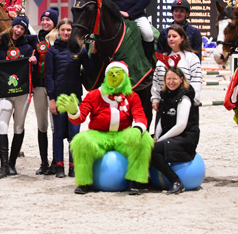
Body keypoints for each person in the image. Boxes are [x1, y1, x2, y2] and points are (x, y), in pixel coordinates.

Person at [57, 61, 152, 195]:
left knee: (144, 139)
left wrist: (137, 130)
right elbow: (79, 118)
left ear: (125, 77)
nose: (114, 76)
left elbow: (140, 116)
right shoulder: (94, 95)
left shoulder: (132, 97)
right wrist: (73, 111)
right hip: (98, 135)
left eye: (118, 73)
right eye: (111, 73)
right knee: (81, 140)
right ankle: (84, 182)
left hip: (122, 135)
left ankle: (134, 181)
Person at [0, 16, 37, 179]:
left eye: (22, 29)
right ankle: (4, 166)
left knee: (19, 126)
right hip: (4, 92)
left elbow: (34, 67)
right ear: (12, 26)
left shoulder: (28, 47)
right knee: (2, 125)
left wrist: (33, 62)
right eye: (17, 27)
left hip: (22, 93)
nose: (18, 30)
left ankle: (12, 163)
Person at [45, 18, 89, 178]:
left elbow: (90, 70)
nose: (65, 33)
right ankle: (59, 166)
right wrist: (52, 99)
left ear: (72, 32)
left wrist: (93, 52)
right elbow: (48, 76)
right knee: (58, 134)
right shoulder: (51, 51)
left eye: (68, 30)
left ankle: (72, 166)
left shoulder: (80, 50)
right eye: (63, 30)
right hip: (58, 99)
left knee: (74, 134)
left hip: (75, 99)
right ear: (58, 31)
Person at [151, 66, 200, 195]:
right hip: (170, 135)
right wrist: (156, 137)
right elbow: (160, 121)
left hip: (185, 138)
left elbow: (180, 126)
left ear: (181, 79)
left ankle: (176, 182)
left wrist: (160, 141)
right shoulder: (165, 95)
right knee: (143, 142)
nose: (171, 82)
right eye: (168, 79)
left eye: (174, 79)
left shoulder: (184, 98)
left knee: (153, 149)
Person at [151, 24, 202, 110]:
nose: (171, 39)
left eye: (174, 36)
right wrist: (155, 99)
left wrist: (193, 101)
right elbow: (156, 81)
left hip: (186, 104)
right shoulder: (162, 59)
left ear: (182, 38)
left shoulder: (192, 58)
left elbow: (196, 80)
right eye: (169, 36)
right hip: (165, 103)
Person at [33, 7, 58, 174]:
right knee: (41, 124)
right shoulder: (36, 39)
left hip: (53, 87)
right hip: (38, 86)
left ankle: (56, 161)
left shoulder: (59, 39)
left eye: (48, 20)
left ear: (54, 22)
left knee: (55, 126)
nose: (44, 22)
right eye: (43, 19)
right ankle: (43, 162)